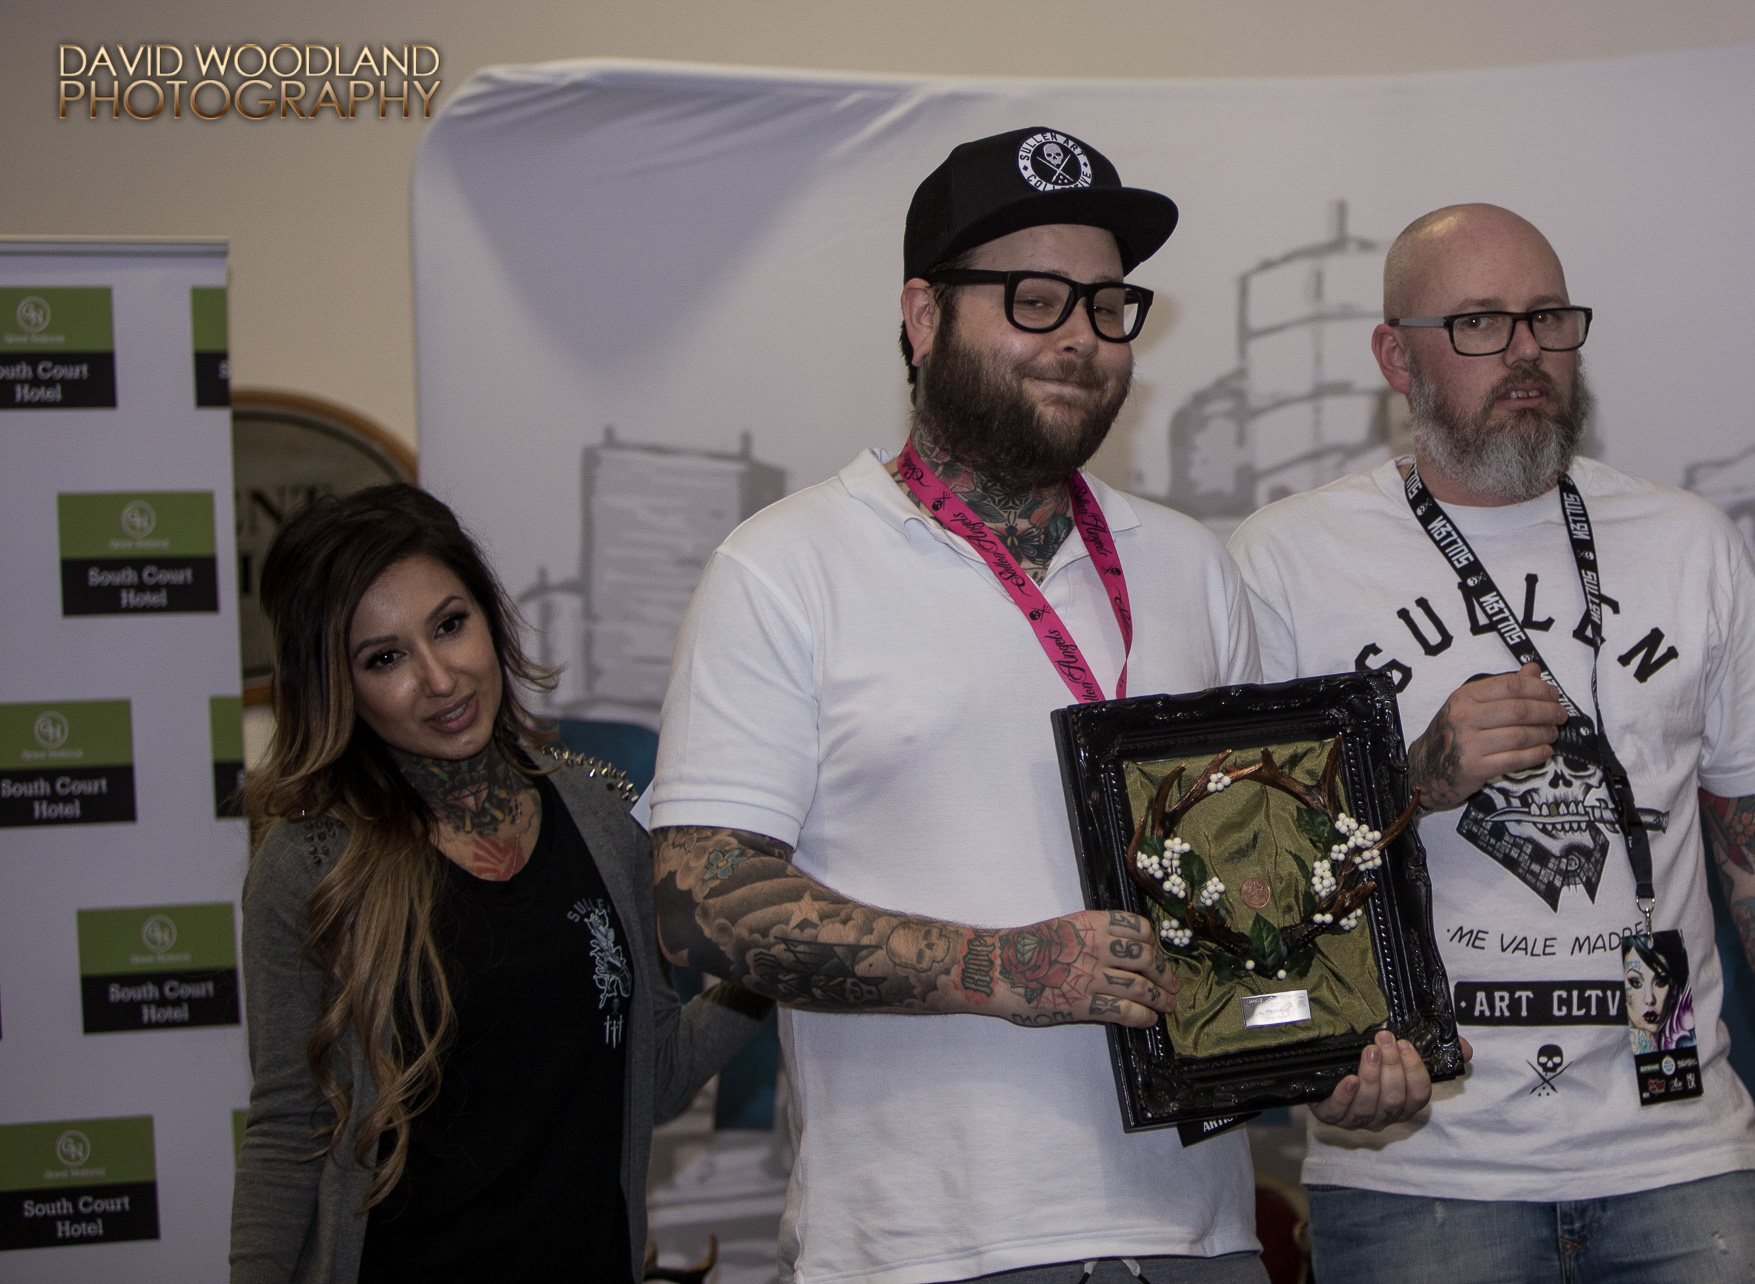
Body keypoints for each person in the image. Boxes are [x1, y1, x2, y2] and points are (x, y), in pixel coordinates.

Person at [646, 127, 1443, 1284]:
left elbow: (1263, 873)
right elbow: (699, 901)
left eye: (1107, 305)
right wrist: (1007, 968)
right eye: (1033, 300)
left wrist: (1329, 1056)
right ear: (922, 316)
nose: (1079, 337)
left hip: (1196, 1236)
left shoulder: (1189, 566)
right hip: (921, 1248)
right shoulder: (786, 566)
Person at [1229, 204, 1755, 1284]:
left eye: (1547, 317)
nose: (1525, 351)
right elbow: (1240, 873)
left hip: (1682, 1160)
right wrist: (1416, 779)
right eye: (1480, 323)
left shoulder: (1686, 543)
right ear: (1395, 357)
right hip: (1418, 1172)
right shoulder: (1285, 562)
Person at [230, 484, 766, 1284]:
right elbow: (288, 1129)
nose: (439, 678)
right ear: (338, 685)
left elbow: (653, 1078)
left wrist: (775, 953)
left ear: (489, 616)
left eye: (450, 625)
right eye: (385, 658)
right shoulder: (311, 861)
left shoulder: (599, 817)